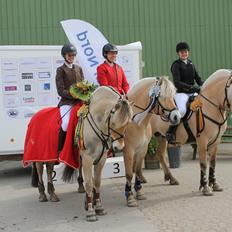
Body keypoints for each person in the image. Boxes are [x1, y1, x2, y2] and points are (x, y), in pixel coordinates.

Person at [166, 42, 204, 144]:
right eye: (182, 52)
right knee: (181, 111)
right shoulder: (176, 65)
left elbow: (198, 79)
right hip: (181, 93)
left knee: (203, 106)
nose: (184, 53)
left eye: (186, 52)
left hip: (192, 93)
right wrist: (192, 87)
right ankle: (171, 132)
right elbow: (177, 83)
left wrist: (205, 85)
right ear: (178, 53)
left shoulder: (191, 64)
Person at [56, 44, 84, 152]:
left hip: (79, 102)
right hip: (67, 102)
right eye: (69, 55)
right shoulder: (60, 70)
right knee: (66, 123)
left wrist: (84, 93)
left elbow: (83, 85)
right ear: (64, 56)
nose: (71, 57)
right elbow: (60, 90)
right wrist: (73, 95)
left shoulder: (79, 68)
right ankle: (61, 149)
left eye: (73, 55)